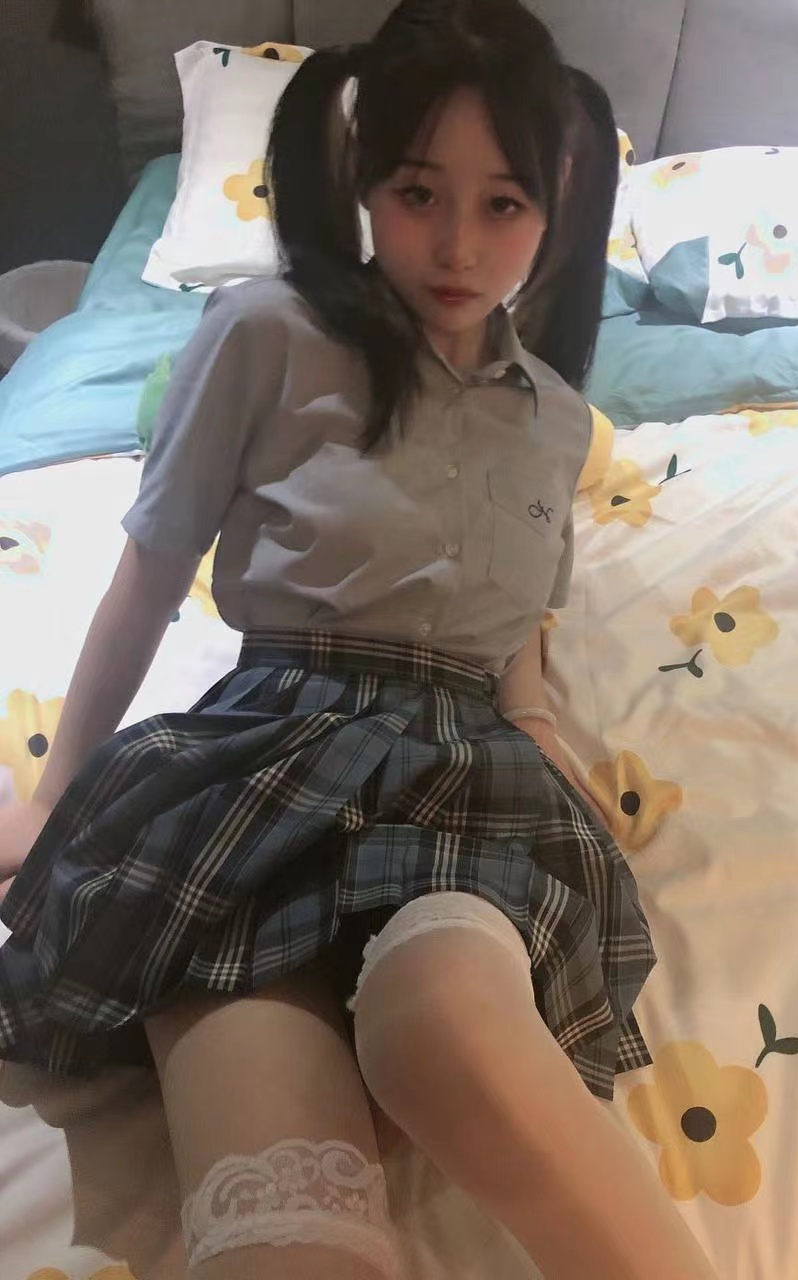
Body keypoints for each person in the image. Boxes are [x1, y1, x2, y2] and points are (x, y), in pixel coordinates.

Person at [0, 3, 717, 1278]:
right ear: (361, 180)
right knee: (286, 1233)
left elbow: (513, 626)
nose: (457, 245)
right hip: (266, 766)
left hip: (462, 774)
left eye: (503, 204)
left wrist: (541, 727)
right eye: (417, 191)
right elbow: (151, 572)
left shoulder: (554, 416)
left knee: (444, 1015)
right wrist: (54, 797)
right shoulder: (264, 332)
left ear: (557, 209)